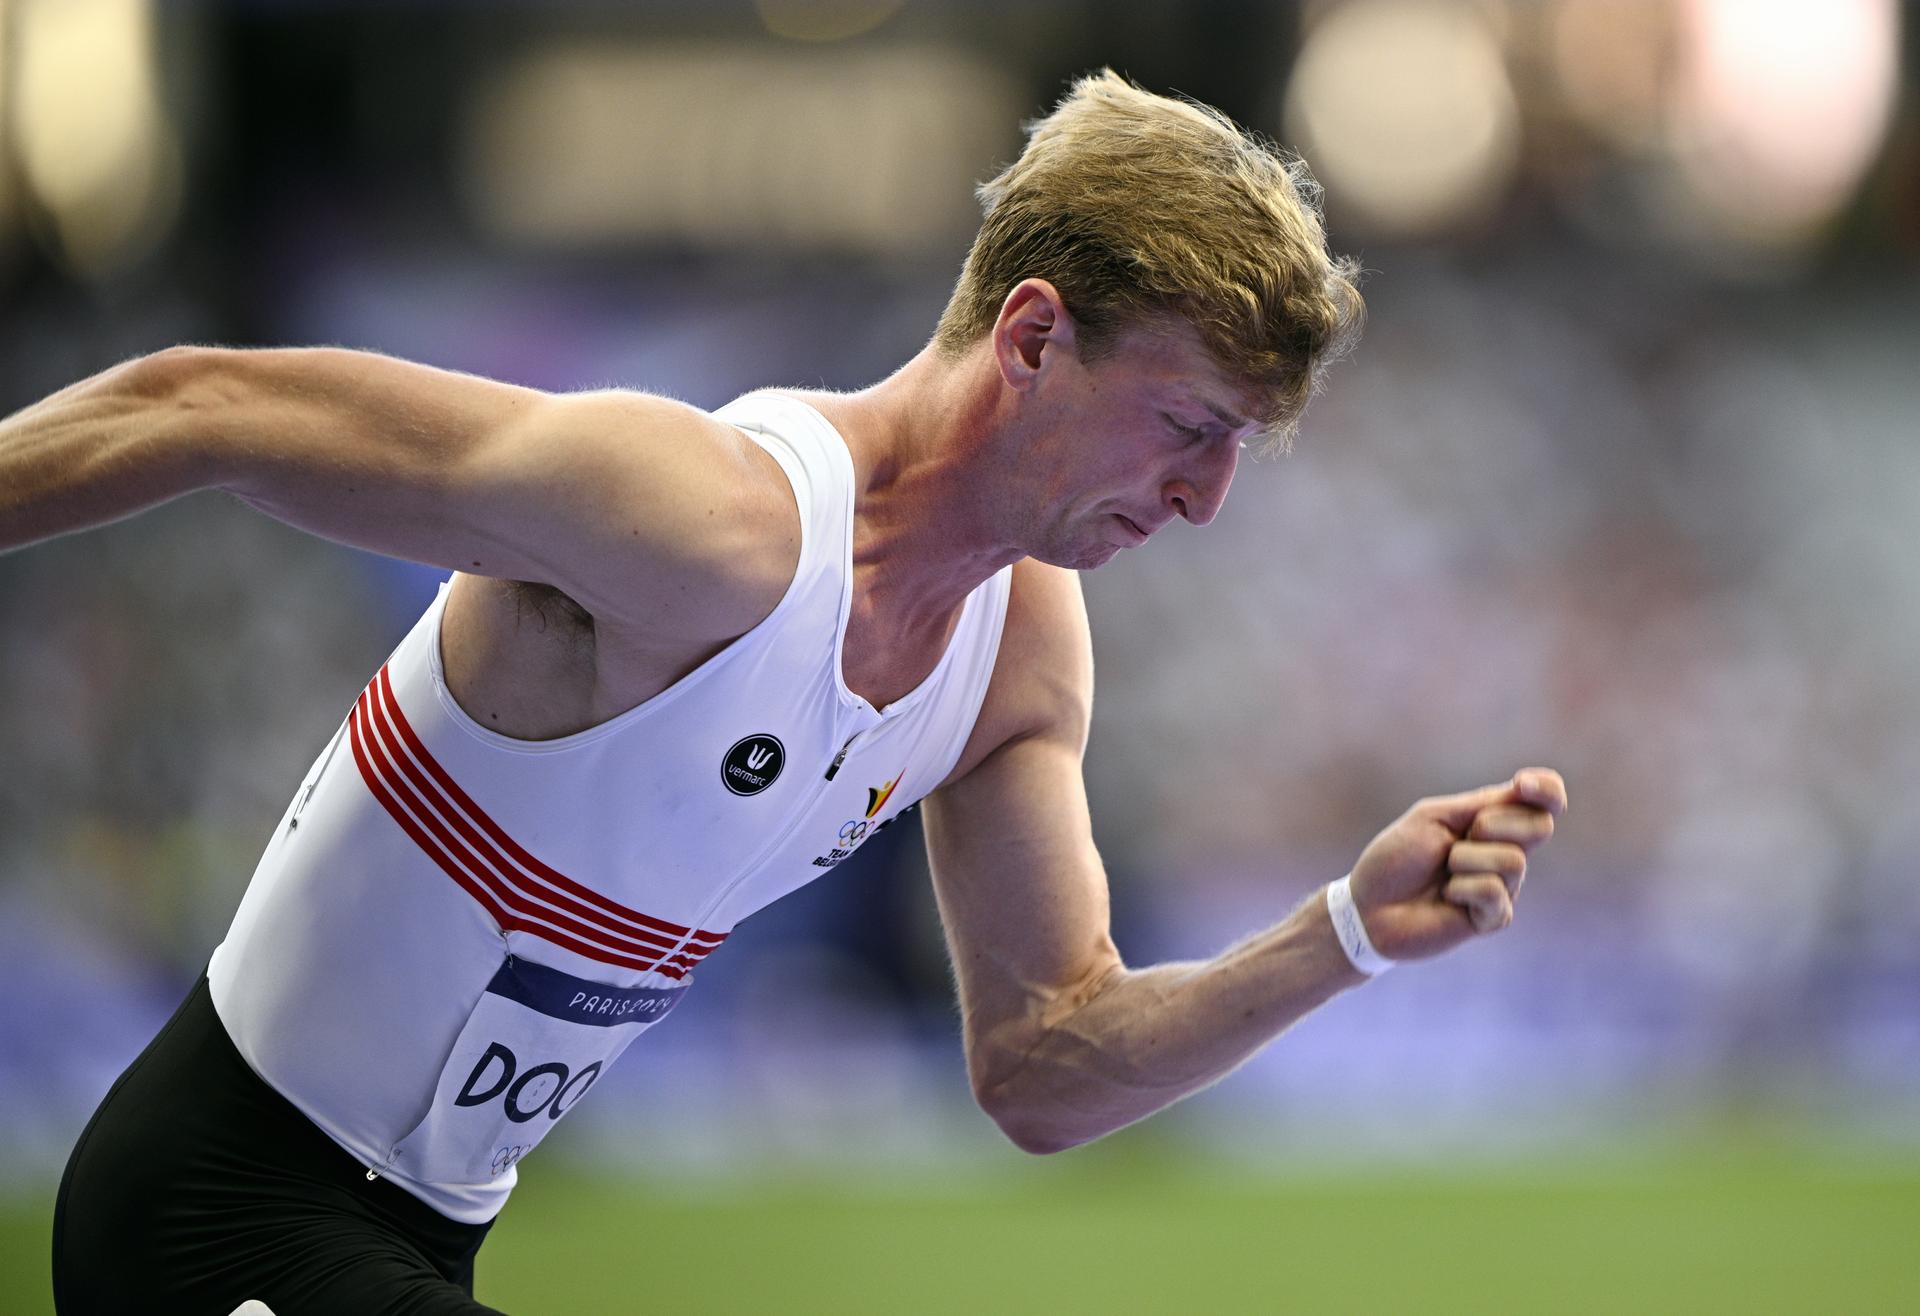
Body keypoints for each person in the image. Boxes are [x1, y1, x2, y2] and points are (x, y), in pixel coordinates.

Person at [9, 70, 1567, 1314]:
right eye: (1185, 424)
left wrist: (1343, 934)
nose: (1207, 497)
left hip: (424, 1239)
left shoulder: (1018, 649)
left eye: (1240, 447)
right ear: (1032, 338)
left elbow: (1045, 1067)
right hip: (212, 1211)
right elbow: (196, 402)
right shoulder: (698, 520)